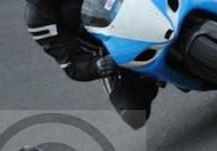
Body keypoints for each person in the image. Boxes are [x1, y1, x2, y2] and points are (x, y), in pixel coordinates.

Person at [24, 0, 160, 130]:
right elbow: (72, 63)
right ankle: (151, 77)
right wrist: (97, 66)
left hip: (137, 8)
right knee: (134, 115)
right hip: (111, 49)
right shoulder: (39, 19)